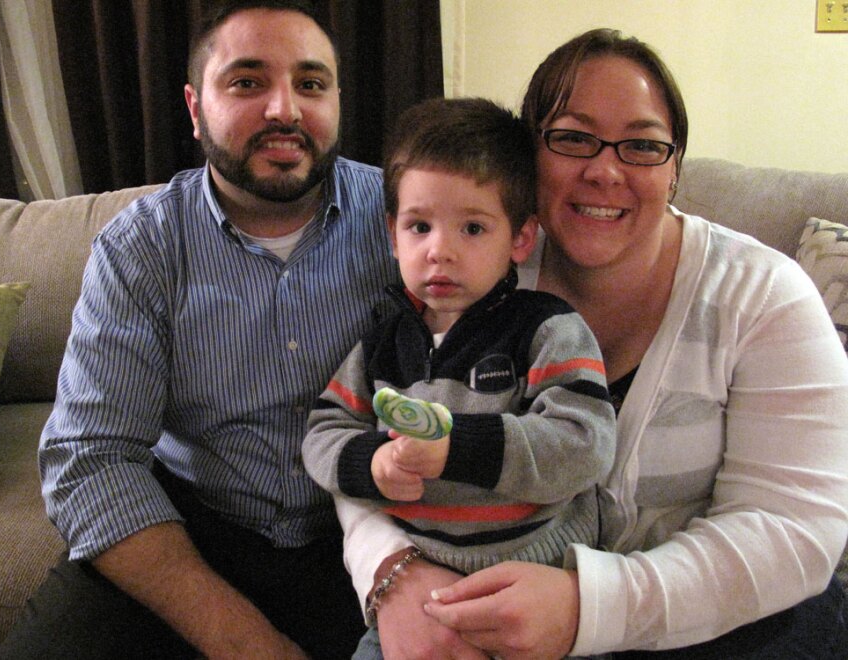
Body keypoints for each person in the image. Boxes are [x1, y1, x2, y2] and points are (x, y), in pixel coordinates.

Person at [337, 28, 848, 659]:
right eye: (573, 138)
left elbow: (794, 530)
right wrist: (395, 575)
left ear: (675, 167)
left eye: (642, 145)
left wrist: (590, 607)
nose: (605, 170)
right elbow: (369, 436)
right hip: (476, 599)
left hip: (715, 624)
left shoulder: (765, 298)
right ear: (527, 160)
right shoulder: (473, 267)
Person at [0, 2, 401, 658]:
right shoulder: (140, 249)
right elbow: (91, 458)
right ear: (194, 107)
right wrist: (243, 641)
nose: (284, 110)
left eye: (311, 83)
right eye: (247, 82)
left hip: (369, 527)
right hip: (194, 529)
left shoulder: (409, 221)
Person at [300, 97, 616, 659]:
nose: (439, 251)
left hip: (540, 583)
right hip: (419, 588)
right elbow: (323, 430)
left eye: (472, 227)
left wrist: (453, 451)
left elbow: (585, 442)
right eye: (418, 226)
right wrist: (369, 463)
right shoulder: (382, 345)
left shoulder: (544, 327)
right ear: (393, 236)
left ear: (520, 239)